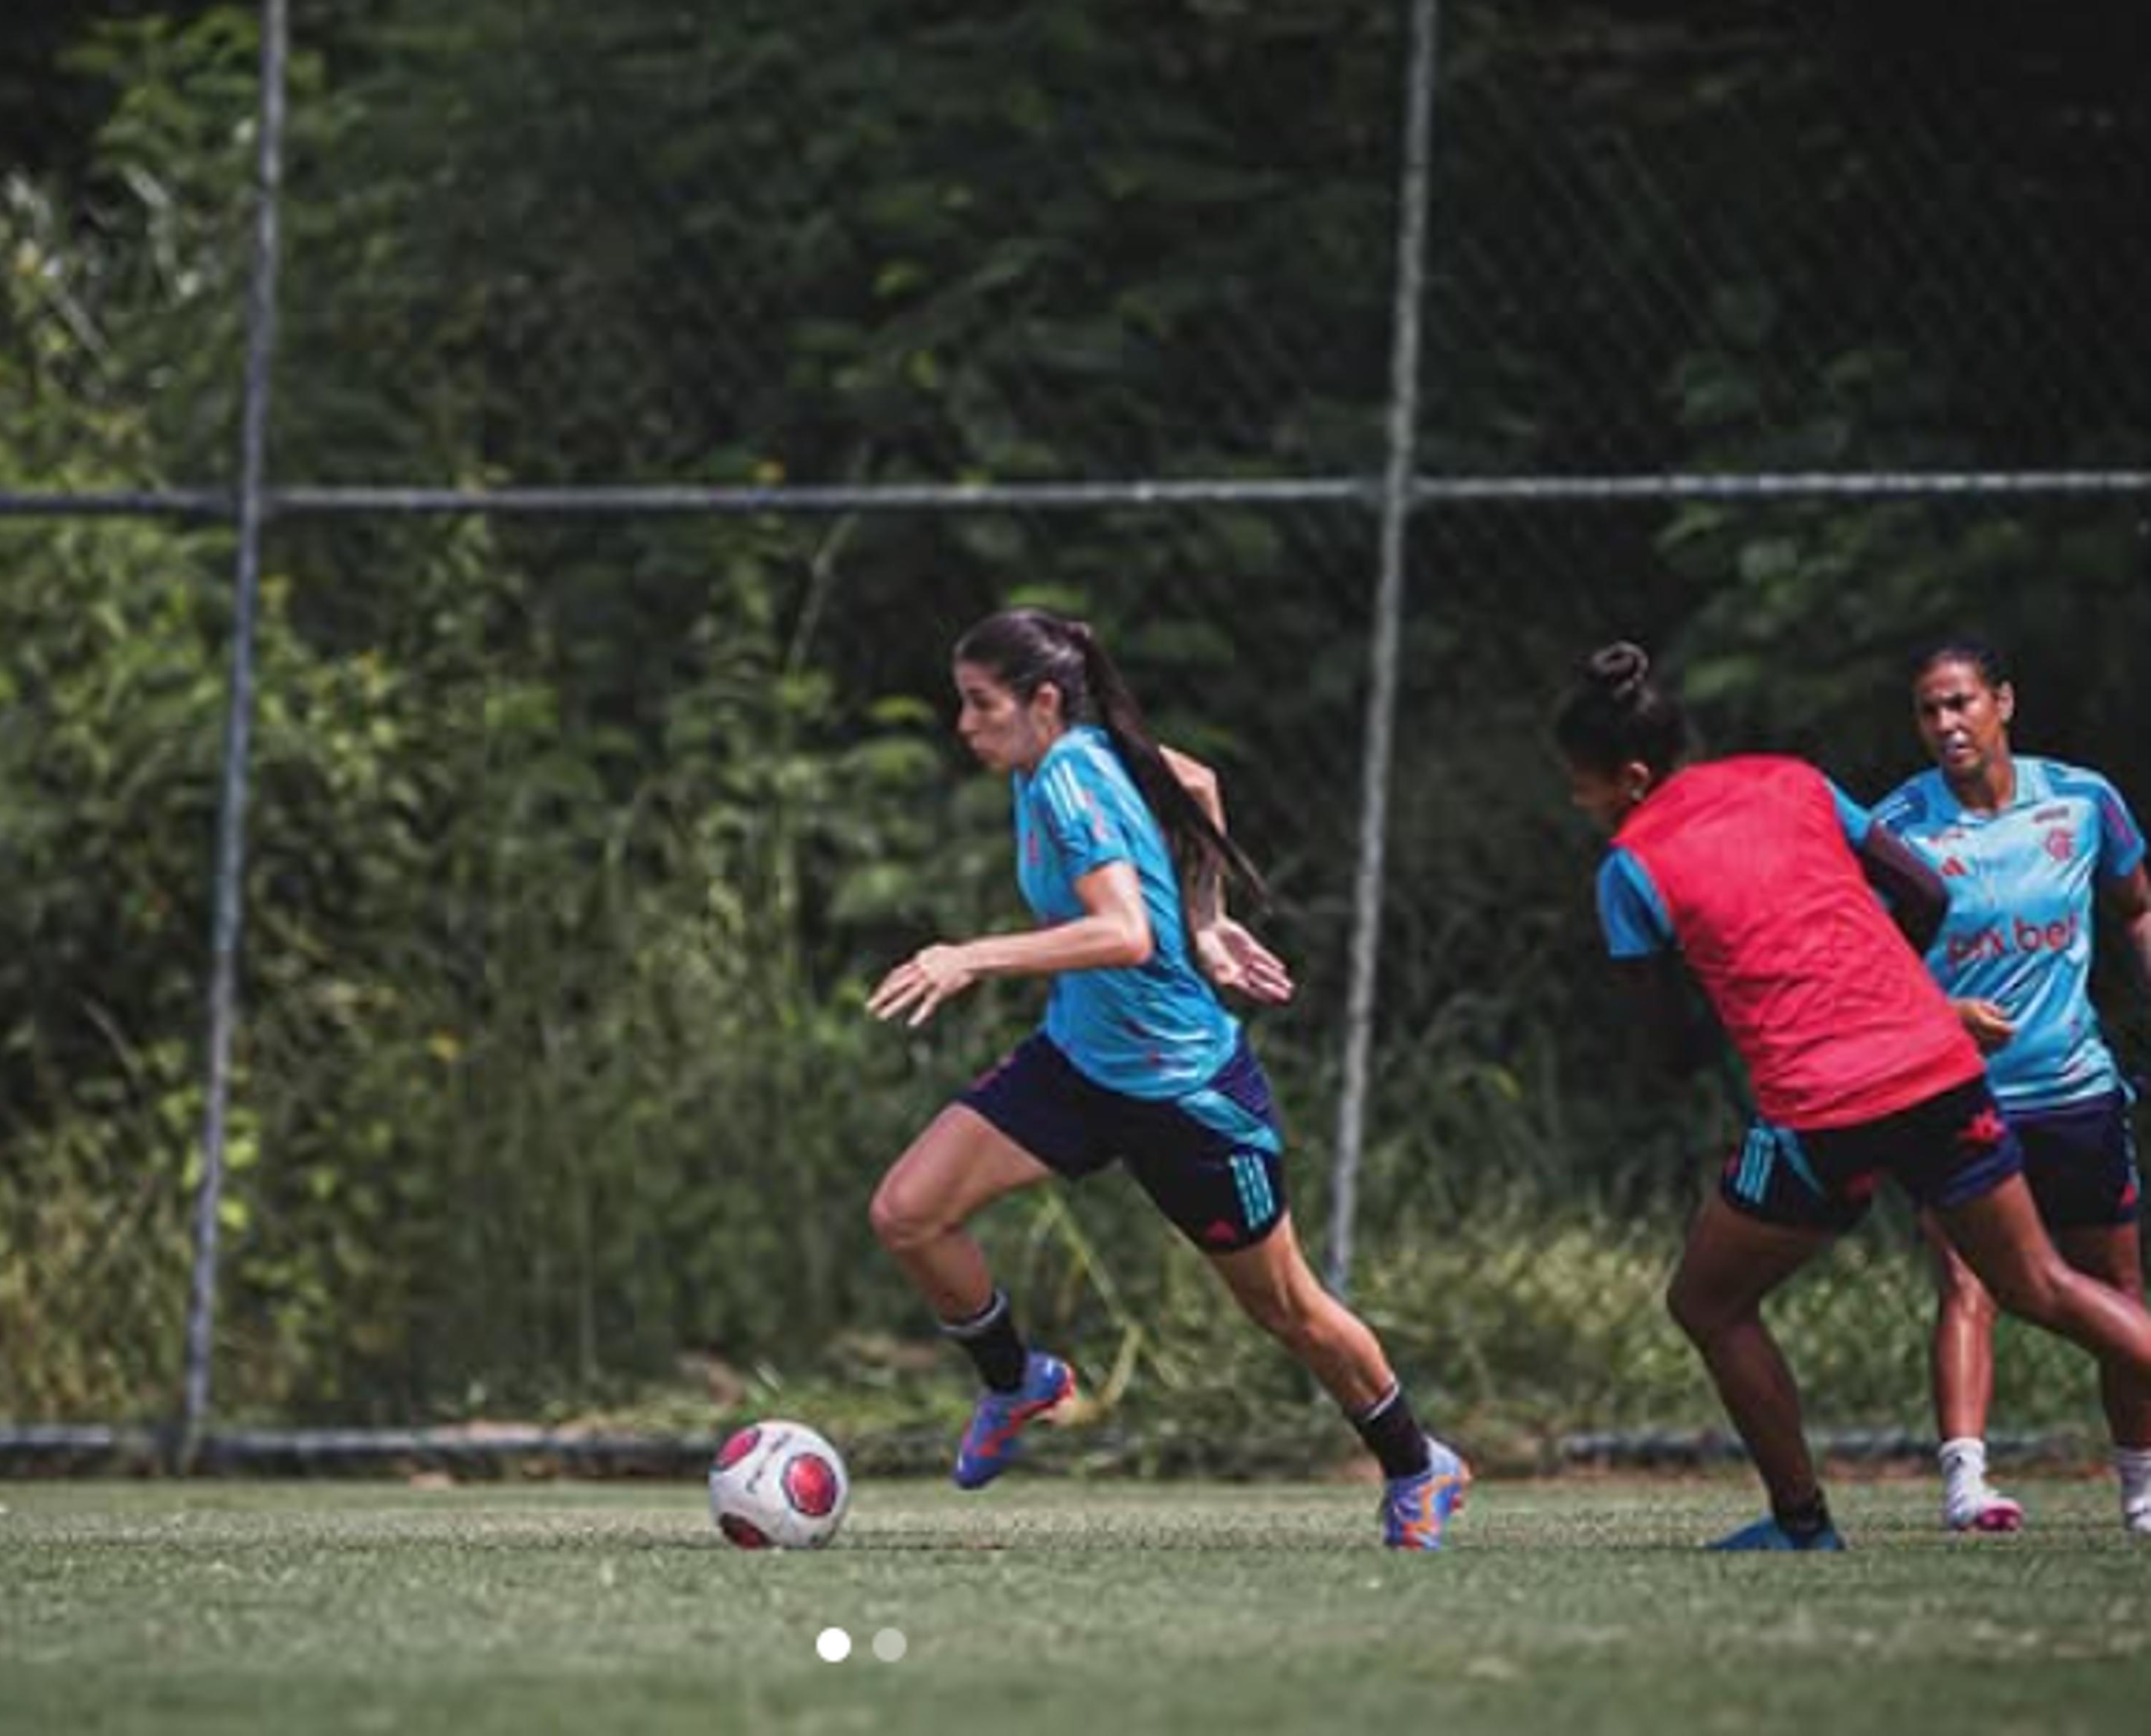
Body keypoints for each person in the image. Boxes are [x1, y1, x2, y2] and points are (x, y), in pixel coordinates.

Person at [864, 607, 1468, 1549]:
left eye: (982, 705)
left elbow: (1121, 932)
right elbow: (1195, 782)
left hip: (1185, 1090)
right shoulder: (1061, 755)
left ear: (1045, 702)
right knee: (909, 1211)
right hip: (1078, 1061)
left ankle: (1415, 1461)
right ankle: (1017, 1380)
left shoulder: (1070, 776)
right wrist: (1209, 918)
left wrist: (975, 956)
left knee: (1288, 1308)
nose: (965, 724)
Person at [1555, 640, 2151, 1550]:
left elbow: (1671, 1050)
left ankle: (1803, 1523)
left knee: (1707, 1303)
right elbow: (1923, 895)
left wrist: (1752, 1002)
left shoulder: (1630, 867)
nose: (1580, 802)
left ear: (1632, 777)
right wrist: (1888, 987)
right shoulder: (1793, 780)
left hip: (1821, 1103)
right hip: (1938, 1062)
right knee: (2041, 1283)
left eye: (1583, 784)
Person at [1864, 637, 2151, 1534]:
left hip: (2076, 1088)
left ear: (2004, 703)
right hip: (1957, 1092)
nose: (1946, 724)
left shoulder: (2081, 798)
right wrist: (1942, 1013)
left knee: (2116, 1279)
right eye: (1928, 710)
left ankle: (2142, 1493)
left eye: (1961, 703)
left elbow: (2137, 902)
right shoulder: (1897, 827)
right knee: (1968, 1280)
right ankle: (1966, 1486)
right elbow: (1864, 963)